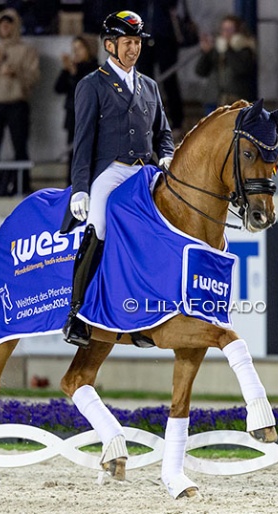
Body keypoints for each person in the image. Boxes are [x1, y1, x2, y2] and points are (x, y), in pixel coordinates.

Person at [61, 10, 174, 347]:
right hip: (109, 172)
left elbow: (163, 133)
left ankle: (140, 318)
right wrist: (80, 189)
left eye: (137, 43)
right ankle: (76, 315)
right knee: (100, 227)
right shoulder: (91, 85)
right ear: (110, 45)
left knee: (157, 235)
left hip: (143, 171)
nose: (134, 49)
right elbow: (82, 143)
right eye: (128, 42)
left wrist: (166, 154)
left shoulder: (150, 86)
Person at [0, 9, 40, 197]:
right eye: (2, 23)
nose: (5, 26)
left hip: (16, 103)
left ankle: (22, 186)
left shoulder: (27, 50)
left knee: (20, 147)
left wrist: (16, 72)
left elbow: (34, 78)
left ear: (16, 25)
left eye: (9, 22)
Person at [131, 0, 185, 135]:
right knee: (143, 82)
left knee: (169, 80)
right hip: (143, 38)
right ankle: (145, 121)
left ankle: (177, 122)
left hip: (165, 38)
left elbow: (175, 7)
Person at [53, 35, 98, 185]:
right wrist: (67, 71)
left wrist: (73, 73)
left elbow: (86, 90)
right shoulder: (72, 68)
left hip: (90, 119)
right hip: (74, 117)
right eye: (74, 49)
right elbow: (58, 88)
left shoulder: (97, 69)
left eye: (79, 48)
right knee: (73, 155)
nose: (76, 53)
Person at [194, 14, 256, 108]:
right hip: (216, 100)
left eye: (230, 30)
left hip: (237, 101)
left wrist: (228, 50)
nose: (226, 33)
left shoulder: (245, 49)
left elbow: (241, 69)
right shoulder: (218, 49)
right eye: (224, 29)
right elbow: (201, 71)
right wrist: (207, 53)